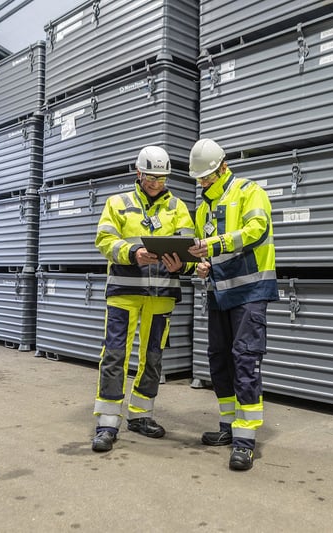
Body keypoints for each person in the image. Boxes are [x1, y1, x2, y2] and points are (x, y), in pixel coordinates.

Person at [91, 145, 195, 452]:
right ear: (138, 173)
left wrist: (185, 264)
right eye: (151, 176)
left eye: (162, 178)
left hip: (162, 294)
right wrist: (133, 253)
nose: (156, 183)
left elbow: (190, 247)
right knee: (114, 355)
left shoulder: (177, 207)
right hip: (124, 292)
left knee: (153, 357)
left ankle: (140, 415)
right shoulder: (117, 203)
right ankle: (108, 422)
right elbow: (104, 240)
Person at [187, 138, 278, 471]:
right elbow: (206, 253)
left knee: (244, 360)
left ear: (222, 167)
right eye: (200, 179)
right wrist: (201, 265)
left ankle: (245, 440)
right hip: (218, 292)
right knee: (219, 360)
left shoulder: (249, 191)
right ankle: (227, 425)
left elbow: (257, 228)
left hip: (250, 291)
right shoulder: (203, 209)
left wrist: (215, 243)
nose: (203, 183)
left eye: (207, 177)